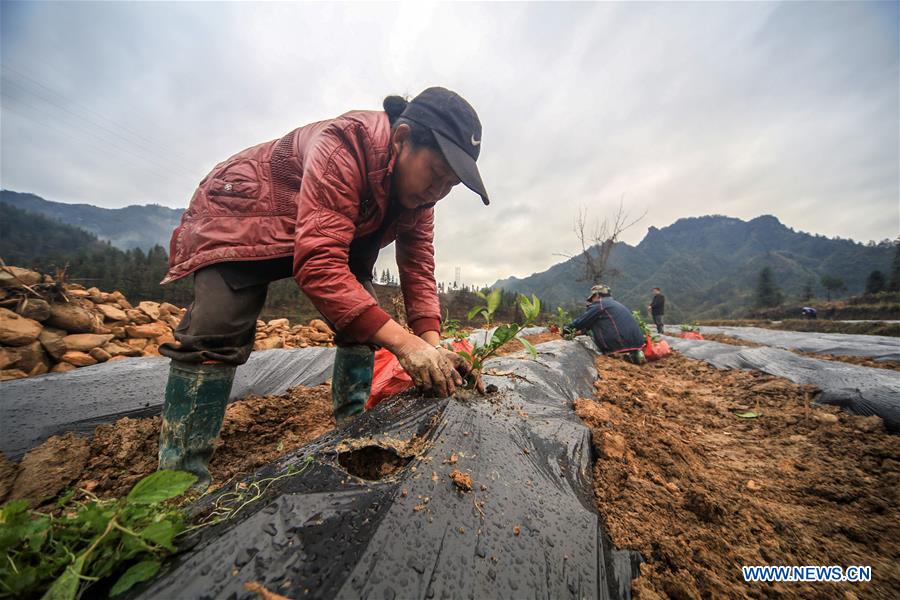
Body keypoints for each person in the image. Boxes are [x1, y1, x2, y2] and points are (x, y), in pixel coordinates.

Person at [156, 87, 487, 489]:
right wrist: (405, 344)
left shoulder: (419, 201)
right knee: (217, 327)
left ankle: (353, 431)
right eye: (435, 174)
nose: (438, 191)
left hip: (329, 226)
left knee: (362, 319)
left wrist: (433, 347)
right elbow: (318, 264)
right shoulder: (344, 147)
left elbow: (418, 270)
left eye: (449, 184)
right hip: (243, 210)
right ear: (401, 140)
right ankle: (178, 484)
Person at [564, 284, 646, 364]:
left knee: (592, 323)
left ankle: (616, 353)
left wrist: (566, 329)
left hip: (618, 345)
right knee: (596, 320)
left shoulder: (600, 304)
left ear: (597, 295)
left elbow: (581, 322)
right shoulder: (616, 304)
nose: (591, 301)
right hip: (638, 344)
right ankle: (633, 354)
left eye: (592, 298)